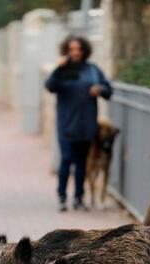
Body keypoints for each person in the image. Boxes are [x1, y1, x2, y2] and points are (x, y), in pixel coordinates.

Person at [45, 35, 112, 211]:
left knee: (82, 163)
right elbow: (50, 86)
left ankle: (79, 198)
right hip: (66, 125)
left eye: (79, 49)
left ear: (84, 50)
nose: (75, 52)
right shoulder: (62, 70)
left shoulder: (93, 70)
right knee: (66, 160)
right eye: (72, 49)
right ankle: (61, 196)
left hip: (86, 125)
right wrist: (57, 69)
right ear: (66, 50)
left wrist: (100, 90)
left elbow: (108, 90)